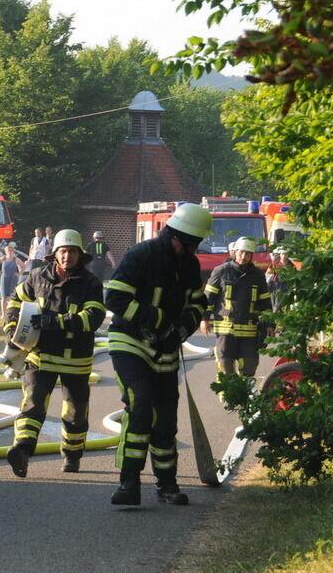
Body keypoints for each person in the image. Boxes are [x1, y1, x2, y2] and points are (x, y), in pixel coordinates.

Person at [105, 202, 212, 506]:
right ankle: (128, 482)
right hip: (130, 341)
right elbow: (115, 297)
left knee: (165, 417)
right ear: (178, 236)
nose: (194, 249)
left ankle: (167, 484)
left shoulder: (189, 265)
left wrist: (179, 332)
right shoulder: (142, 255)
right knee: (140, 404)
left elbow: (196, 305)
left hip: (165, 348)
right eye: (193, 243)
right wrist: (156, 320)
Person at [4, 229, 106, 477]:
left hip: (75, 360)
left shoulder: (90, 283)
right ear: (55, 254)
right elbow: (16, 301)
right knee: (32, 406)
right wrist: (11, 329)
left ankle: (72, 456)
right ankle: (22, 451)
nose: (67, 256)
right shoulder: (38, 276)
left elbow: (93, 318)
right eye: (63, 251)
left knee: (74, 413)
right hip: (40, 356)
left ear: (80, 255)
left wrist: (56, 321)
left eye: (72, 252)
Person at [202, 236, 272, 380]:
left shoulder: (258, 275)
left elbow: (265, 301)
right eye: (241, 252)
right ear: (235, 252)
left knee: (250, 364)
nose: (244, 257)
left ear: (252, 255)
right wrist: (204, 319)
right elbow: (208, 298)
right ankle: (228, 395)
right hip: (226, 328)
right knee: (225, 363)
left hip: (249, 329)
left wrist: (270, 323)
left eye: (248, 254)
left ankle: (245, 395)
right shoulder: (221, 271)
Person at [0, 242, 26, 320]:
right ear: (6, 251)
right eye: (8, 251)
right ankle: (4, 314)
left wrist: (19, 273)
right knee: (4, 297)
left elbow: (24, 266)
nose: (10, 252)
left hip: (13, 279)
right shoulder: (3, 258)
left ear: (13, 251)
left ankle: (13, 313)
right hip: (4, 278)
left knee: (12, 296)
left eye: (11, 250)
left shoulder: (15, 259)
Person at [265, 246, 295, 313]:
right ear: (280, 255)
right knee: (274, 304)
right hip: (275, 285)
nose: (284, 256)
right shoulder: (275, 263)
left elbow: (294, 277)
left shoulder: (291, 265)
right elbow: (268, 273)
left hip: (286, 287)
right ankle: (276, 319)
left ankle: (279, 318)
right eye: (282, 254)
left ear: (288, 255)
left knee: (281, 305)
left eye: (285, 254)